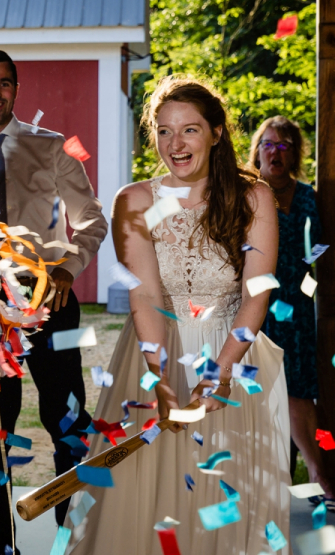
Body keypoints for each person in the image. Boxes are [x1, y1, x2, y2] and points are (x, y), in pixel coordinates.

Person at [70, 76, 289, 554]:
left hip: (232, 349)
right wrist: (162, 380)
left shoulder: (255, 198)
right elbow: (145, 295)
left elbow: (257, 293)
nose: (176, 143)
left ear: (215, 133)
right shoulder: (135, 200)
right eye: (164, 131)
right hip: (155, 350)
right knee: (148, 496)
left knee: (221, 490)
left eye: (189, 130)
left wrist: (222, 372)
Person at [0, 49, 108, 555]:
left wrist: (68, 267)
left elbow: (92, 220)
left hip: (51, 303)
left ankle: (71, 543)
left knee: (69, 428)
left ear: (17, 88)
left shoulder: (52, 147)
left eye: (5, 83)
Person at [247, 116, 335, 512]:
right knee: (257, 392)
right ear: (258, 150)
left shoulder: (307, 196)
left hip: (298, 306)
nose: (275, 151)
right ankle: (275, 483)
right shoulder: (245, 192)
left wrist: (304, 272)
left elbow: (321, 246)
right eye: (269, 144)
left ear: (294, 154)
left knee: (298, 391)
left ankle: (318, 476)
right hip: (255, 301)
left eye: (284, 145)